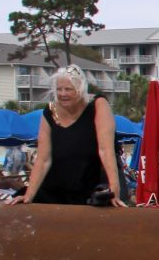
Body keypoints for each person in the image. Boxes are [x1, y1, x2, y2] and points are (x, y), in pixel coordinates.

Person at [12, 66, 125, 207]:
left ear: (81, 89)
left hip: (88, 187)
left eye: (68, 89)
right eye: (59, 89)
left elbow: (105, 150)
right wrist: (28, 195)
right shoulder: (50, 111)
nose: (63, 94)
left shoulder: (97, 105)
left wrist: (114, 188)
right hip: (54, 188)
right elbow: (43, 159)